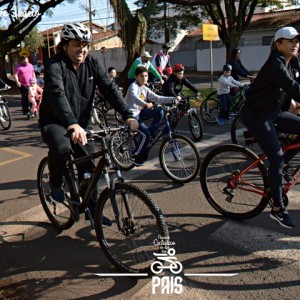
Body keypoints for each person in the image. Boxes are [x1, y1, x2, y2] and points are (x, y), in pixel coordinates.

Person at [39, 22, 139, 226]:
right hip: (56, 121)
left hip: (81, 124)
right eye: (77, 44)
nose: (82, 49)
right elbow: (57, 95)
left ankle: (92, 212)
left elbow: (110, 89)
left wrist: (127, 114)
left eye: (85, 45)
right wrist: (71, 124)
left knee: (89, 170)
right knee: (62, 147)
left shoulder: (92, 62)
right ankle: (56, 182)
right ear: (65, 45)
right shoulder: (54, 65)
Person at [240, 26, 300, 229]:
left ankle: (281, 171)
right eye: (290, 41)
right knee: (276, 157)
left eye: (297, 41)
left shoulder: (294, 62)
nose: (295, 44)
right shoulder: (275, 63)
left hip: (273, 112)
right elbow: (292, 87)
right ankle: (277, 209)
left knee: (281, 160)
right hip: (256, 114)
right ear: (278, 44)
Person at [125, 66, 179, 166]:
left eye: (146, 76)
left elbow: (157, 98)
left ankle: (153, 133)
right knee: (146, 134)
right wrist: (145, 104)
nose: (144, 78)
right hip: (131, 114)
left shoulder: (145, 88)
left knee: (159, 111)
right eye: (141, 76)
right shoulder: (133, 86)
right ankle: (134, 155)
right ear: (136, 77)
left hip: (140, 112)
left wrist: (173, 99)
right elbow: (135, 98)